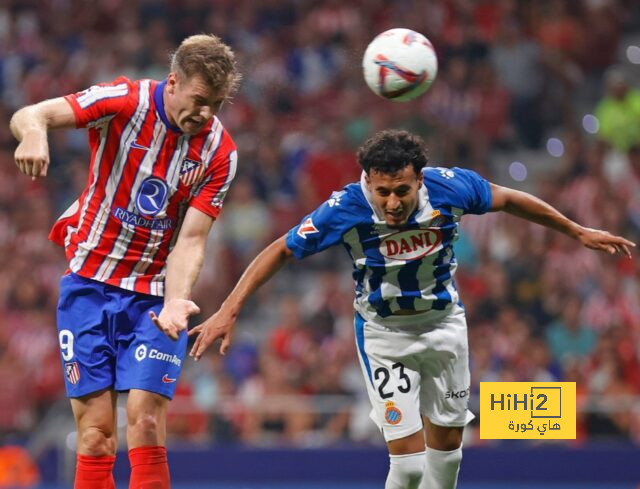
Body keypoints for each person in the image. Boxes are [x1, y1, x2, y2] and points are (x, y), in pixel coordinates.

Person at [177, 129, 635, 489]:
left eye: (401, 190)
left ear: (420, 177)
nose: (392, 202)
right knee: (410, 465)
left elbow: (510, 199)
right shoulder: (347, 207)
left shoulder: (451, 188)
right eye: (382, 192)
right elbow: (281, 249)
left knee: (450, 450)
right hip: (384, 336)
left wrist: (577, 231)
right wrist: (230, 309)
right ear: (367, 183)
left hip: (445, 326)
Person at [10, 34, 240, 489]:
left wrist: (177, 300)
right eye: (198, 100)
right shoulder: (125, 100)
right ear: (172, 83)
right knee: (95, 435)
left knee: (146, 420)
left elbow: (192, 239)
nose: (206, 113)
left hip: (155, 295)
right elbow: (30, 113)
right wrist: (35, 134)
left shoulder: (220, 152)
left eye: (215, 103)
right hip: (88, 284)